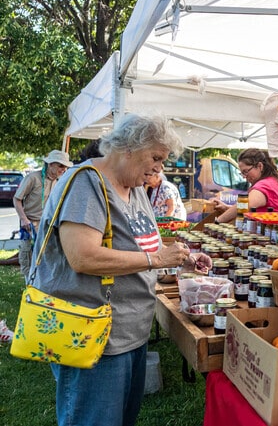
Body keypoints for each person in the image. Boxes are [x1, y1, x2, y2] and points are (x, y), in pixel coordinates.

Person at [29, 113, 212, 426]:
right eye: (155, 157)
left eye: (163, 160)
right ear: (129, 147)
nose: (159, 168)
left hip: (130, 331)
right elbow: (83, 257)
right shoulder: (87, 184)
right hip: (92, 334)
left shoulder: (136, 188)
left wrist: (178, 261)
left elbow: (140, 250)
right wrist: (157, 260)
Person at [13, 150, 72, 279]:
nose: (64, 169)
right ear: (50, 164)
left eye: (66, 166)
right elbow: (16, 199)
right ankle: (29, 285)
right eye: (61, 166)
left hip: (48, 223)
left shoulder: (60, 181)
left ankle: (42, 284)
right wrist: (23, 219)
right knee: (27, 255)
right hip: (29, 224)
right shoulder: (33, 178)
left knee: (47, 255)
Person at [211, 148, 278, 223]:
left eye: (246, 171)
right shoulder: (273, 181)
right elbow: (248, 210)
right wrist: (226, 208)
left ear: (260, 166)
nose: (243, 176)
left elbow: (245, 205)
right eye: (242, 173)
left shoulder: (266, 184)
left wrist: (217, 222)